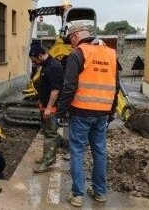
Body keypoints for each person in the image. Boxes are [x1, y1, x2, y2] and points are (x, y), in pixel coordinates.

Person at [57, 23, 119, 207]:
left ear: (75, 36)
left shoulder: (78, 53)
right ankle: (100, 192)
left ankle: (77, 195)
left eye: (70, 40)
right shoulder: (111, 53)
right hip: (102, 113)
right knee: (99, 152)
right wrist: (112, 111)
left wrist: (61, 111)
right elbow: (115, 86)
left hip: (81, 112)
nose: (71, 44)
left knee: (77, 151)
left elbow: (69, 86)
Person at [29, 43, 64, 173]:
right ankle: (46, 157)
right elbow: (45, 86)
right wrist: (40, 100)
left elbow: (55, 90)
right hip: (45, 106)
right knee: (47, 132)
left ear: (40, 55)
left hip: (52, 108)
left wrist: (49, 108)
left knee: (50, 135)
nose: (35, 63)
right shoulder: (45, 65)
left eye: (35, 60)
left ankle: (48, 162)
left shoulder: (53, 67)